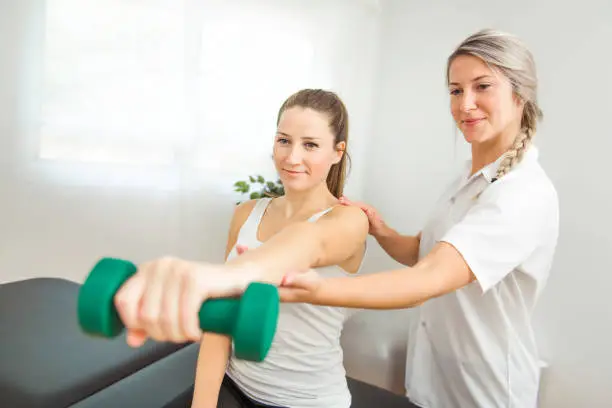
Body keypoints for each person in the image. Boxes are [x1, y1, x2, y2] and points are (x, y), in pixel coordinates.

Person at [114, 29, 559, 408]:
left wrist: (265, 280)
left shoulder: (521, 196)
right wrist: (387, 233)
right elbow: (428, 251)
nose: (465, 104)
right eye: (456, 90)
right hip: (427, 380)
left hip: (482, 389)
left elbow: (415, 276)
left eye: (483, 87)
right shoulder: (467, 178)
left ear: (520, 94)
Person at [116, 88, 370, 408]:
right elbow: (221, 319)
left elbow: (308, 242)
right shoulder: (247, 213)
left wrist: (238, 271)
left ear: (337, 151)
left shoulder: (350, 220)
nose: (292, 157)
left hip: (309, 400)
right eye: (284, 140)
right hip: (236, 385)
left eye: (310, 145)